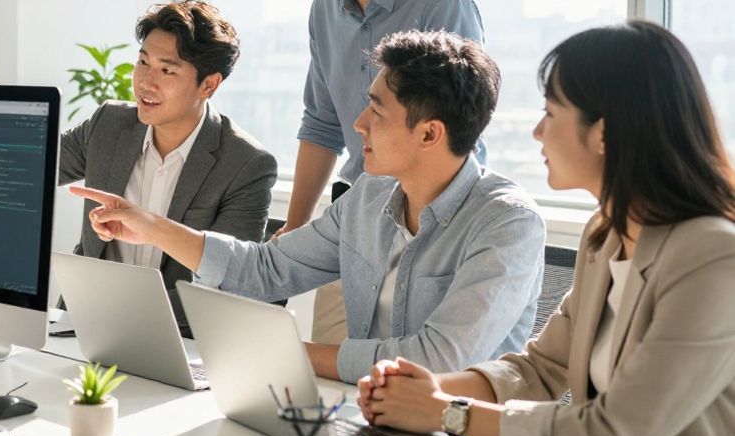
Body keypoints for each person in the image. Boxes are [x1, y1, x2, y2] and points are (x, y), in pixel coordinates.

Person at [358, 21, 735, 436]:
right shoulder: (605, 236)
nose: (538, 132)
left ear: (604, 134)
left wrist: (446, 413)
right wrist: (422, 391)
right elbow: (539, 369)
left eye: (551, 113)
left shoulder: (713, 258)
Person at [73, 30, 544, 384]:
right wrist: (152, 228)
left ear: (429, 134)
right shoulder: (367, 197)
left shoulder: (507, 224)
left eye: (377, 111)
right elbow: (265, 269)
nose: (358, 124)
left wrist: (284, 354)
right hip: (367, 414)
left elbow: (438, 360)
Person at [283, 0, 485, 344]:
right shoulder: (324, 7)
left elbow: (460, 134)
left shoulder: (442, 5)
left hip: (428, 226)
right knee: (327, 369)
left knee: (409, 373)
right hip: (354, 219)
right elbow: (321, 125)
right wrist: (294, 228)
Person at [60, 0, 277, 317]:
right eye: (143, 62)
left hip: (179, 333)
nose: (145, 82)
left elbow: (231, 282)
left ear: (209, 84)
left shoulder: (246, 165)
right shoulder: (108, 124)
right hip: (82, 320)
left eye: (166, 70)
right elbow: (31, 166)